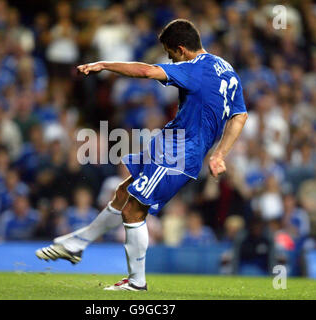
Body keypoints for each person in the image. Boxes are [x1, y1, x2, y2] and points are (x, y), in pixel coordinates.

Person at [36, 19, 248, 291]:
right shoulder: (227, 70)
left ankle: (136, 282)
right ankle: (77, 244)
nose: (169, 60)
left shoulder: (193, 69)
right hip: (170, 141)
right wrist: (220, 154)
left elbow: (146, 72)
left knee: (135, 207)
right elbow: (239, 115)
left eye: (171, 54)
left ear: (181, 49)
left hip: (180, 151)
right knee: (124, 192)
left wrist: (104, 65)